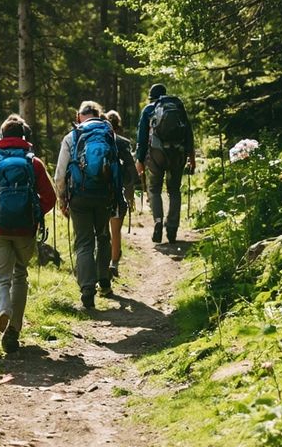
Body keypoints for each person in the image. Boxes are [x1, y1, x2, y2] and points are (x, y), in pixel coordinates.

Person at [0, 114, 57, 353]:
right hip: (26, 230)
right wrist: (35, 213)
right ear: (24, 137)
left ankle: (3, 310)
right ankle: (14, 330)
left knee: (1, 278)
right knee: (20, 275)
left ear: (1, 137)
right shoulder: (34, 163)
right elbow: (50, 198)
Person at [54, 101, 123, 309]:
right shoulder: (108, 134)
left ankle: (87, 290)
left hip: (79, 196)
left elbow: (59, 175)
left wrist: (62, 198)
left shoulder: (71, 136)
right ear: (100, 116)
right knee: (102, 236)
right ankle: (104, 282)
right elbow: (115, 168)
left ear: (78, 117)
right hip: (104, 195)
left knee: (84, 242)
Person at [135, 83, 196, 244]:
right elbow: (188, 132)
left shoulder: (148, 110)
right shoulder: (178, 108)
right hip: (178, 153)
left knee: (154, 189)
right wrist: (191, 156)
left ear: (151, 97)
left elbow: (141, 139)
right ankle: (172, 228)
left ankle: (158, 221)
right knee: (174, 190)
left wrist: (139, 160)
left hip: (156, 154)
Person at [105, 110, 138, 280]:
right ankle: (114, 263)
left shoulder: (90, 142)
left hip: (97, 193)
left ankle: (101, 265)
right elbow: (131, 173)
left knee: (101, 231)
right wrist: (130, 195)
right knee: (115, 230)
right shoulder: (123, 143)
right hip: (117, 194)